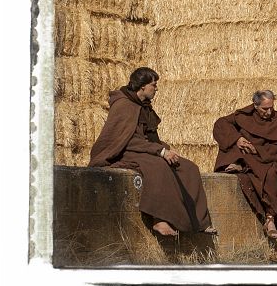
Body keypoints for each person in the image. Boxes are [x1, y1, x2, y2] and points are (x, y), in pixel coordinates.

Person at [88, 67, 216, 237]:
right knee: (158, 167)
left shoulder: (144, 106)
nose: (156, 88)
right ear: (142, 86)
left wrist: (165, 148)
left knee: (189, 168)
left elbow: (148, 137)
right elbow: (126, 139)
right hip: (124, 151)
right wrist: (160, 151)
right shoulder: (123, 105)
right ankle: (159, 220)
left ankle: (199, 222)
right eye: (153, 85)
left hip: (143, 149)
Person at [213, 90, 277, 239]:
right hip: (244, 154)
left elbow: (275, 150)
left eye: (271, 108)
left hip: (263, 159)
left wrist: (257, 150)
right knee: (235, 148)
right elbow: (221, 124)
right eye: (265, 108)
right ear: (255, 106)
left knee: (271, 173)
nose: (269, 112)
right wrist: (237, 138)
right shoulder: (243, 115)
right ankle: (242, 165)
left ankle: (270, 219)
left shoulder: (276, 121)